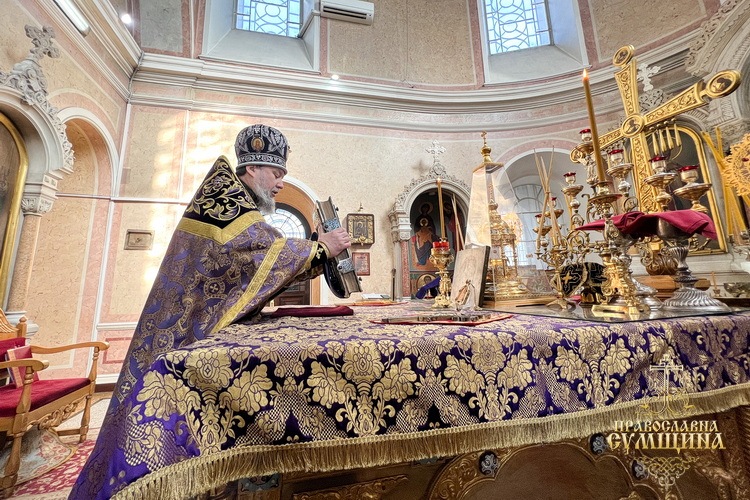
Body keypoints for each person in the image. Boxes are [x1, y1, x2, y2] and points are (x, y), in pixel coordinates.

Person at [70, 124, 350, 499]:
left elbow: (260, 263)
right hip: (184, 333)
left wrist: (317, 251)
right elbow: (257, 253)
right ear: (253, 168)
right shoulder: (226, 200)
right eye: (277, 173)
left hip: (193, 325)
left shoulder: (236, 200)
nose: (281, 183)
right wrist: (320, 248)